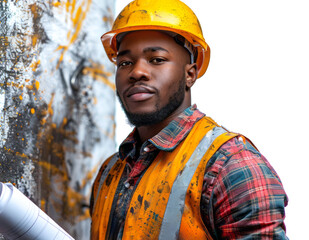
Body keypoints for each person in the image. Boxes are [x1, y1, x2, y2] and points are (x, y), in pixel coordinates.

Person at [90, 0, 288, 239]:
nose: (136, 72)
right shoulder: (110, 172)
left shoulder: (231, 166)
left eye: (157, 59)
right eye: (125, 63)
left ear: (190, 74)